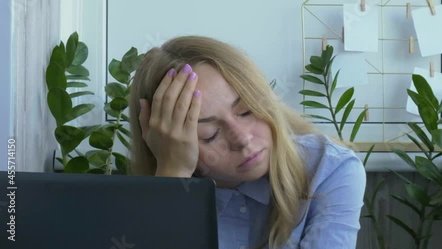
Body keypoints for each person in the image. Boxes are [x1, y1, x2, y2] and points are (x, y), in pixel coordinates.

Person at [128, 36, 366, 249]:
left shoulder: (329, 168)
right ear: (164, 145)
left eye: (246, 111)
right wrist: (173, 175)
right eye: (210, 134)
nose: (242, 138)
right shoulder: (136, 203)